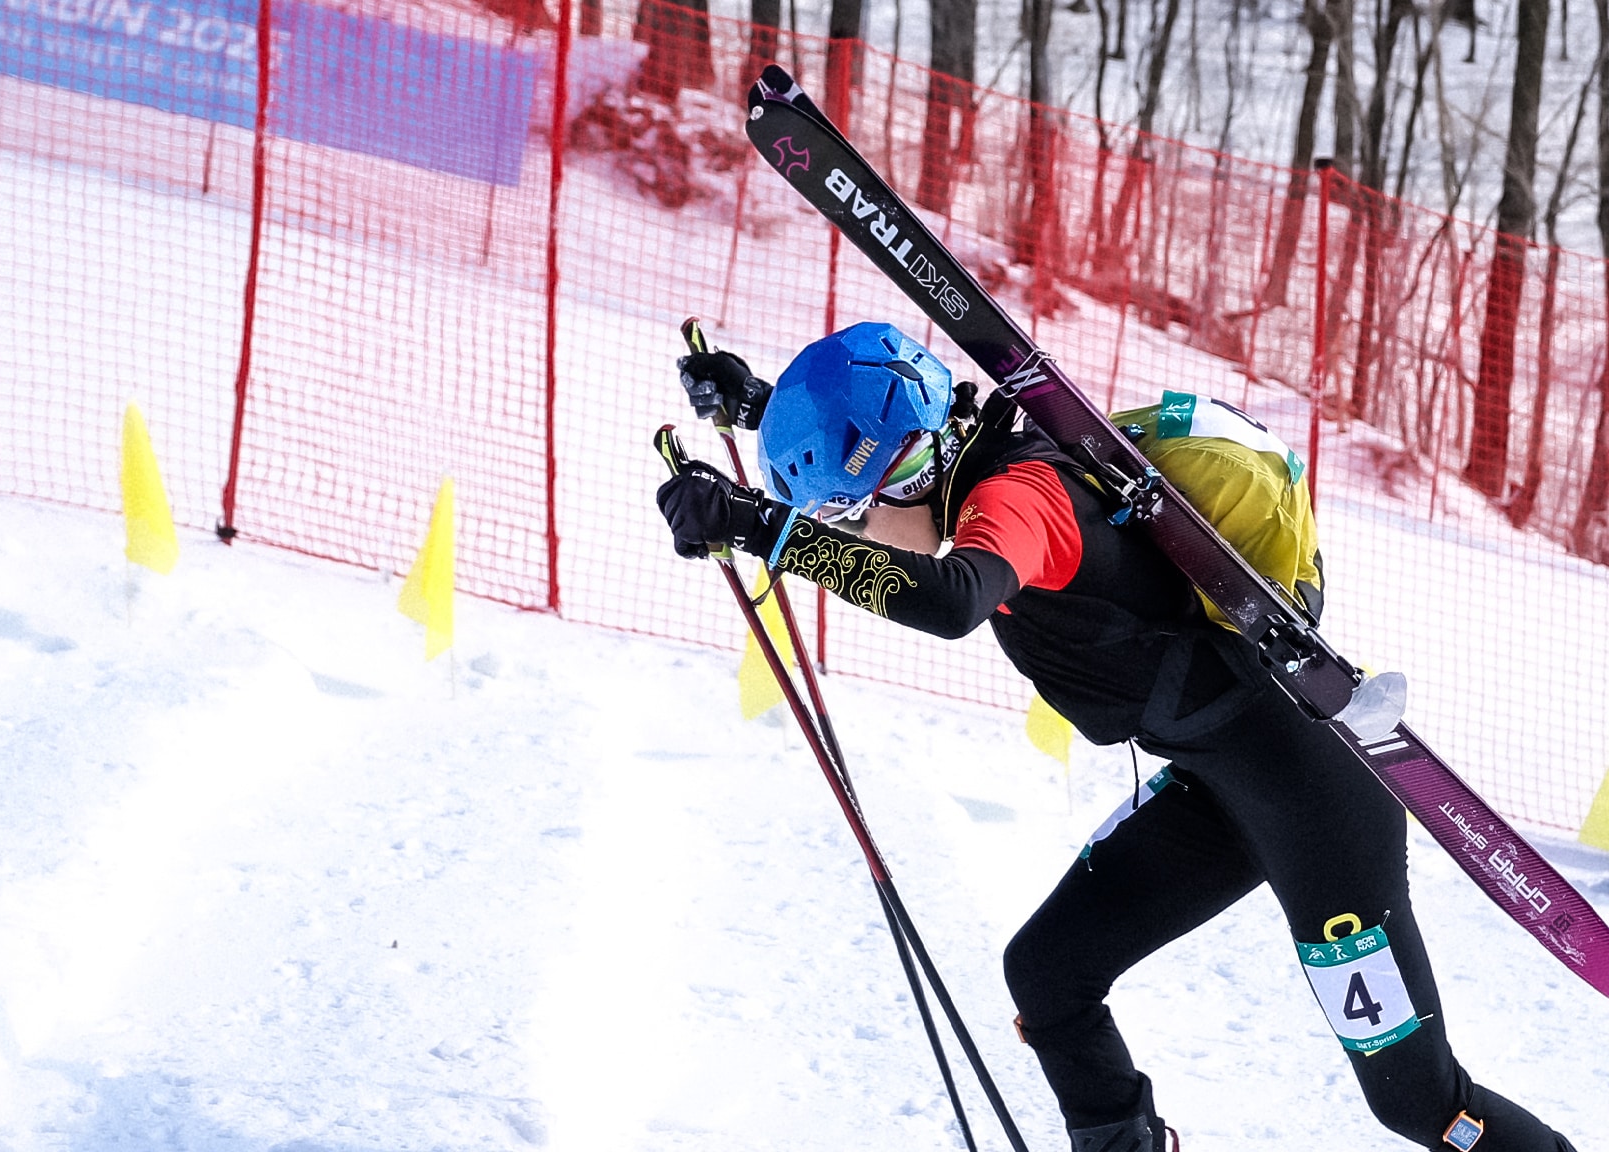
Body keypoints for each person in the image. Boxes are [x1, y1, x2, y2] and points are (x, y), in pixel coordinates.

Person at [654, 322, 1579, 1152]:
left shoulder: (1020, 498)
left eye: (850, 515)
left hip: (1314, 804)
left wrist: (762, 528)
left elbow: (949, 601)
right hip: (1217, 791)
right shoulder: (967, 461)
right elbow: (888, 448)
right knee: (1049, 974)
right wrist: (762, 411)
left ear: (908, 471)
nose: (858, 537)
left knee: (1417, 1102)